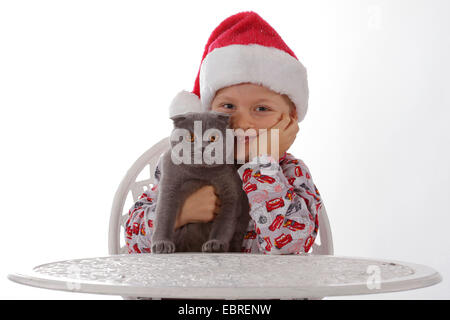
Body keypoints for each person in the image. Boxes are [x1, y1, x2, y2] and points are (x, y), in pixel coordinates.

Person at [124, 11, 323, 255]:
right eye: (228, 107)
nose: (241, 122)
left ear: (289, 118)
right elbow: (132, 237)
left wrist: (262, 163)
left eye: (262, 108)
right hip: (192, 290)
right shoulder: (183, 163)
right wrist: (180, 213)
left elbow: (291, 245)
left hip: (261, 292)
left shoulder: (292, 172)